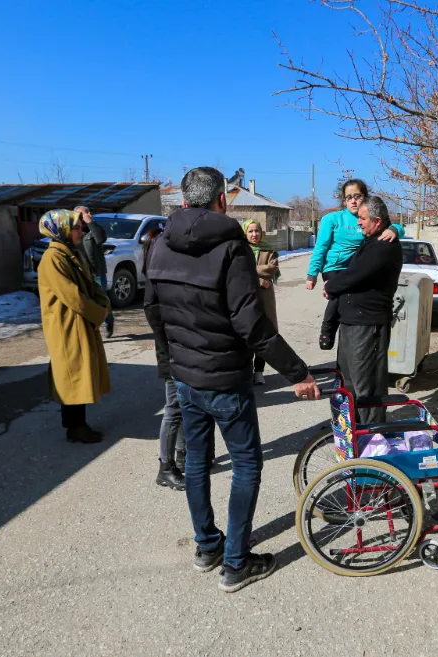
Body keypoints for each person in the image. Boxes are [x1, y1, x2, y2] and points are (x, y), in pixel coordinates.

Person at [146, 166, 321, 593]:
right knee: (246, 465)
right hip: (225, 380)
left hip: (186, 380)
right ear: (221, 200)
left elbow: (153, 310)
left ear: (183, 201)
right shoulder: (232, 247)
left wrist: (170, 366)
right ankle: (236, 562)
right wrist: (298, 373)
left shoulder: (159, 245)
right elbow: (252, 326)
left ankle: (208, 546)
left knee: (198, 463)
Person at [323, 195, 403, 426]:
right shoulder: (372, 239)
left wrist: (332, 286)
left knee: (366, 385)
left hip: (368, 325)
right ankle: (351, 431)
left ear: (378, 221)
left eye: (362, 218)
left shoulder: (384, 245)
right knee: (348, 381)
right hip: (352, 322)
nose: (358, 222)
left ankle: (370, 436)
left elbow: (357, 275)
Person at [36, 209, 111, 444]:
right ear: (63, 230)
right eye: (77, 228)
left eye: (80, 227)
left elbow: (91, 283)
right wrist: (99, 313)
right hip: (67, 326)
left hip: (80, 322)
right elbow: (73, 297)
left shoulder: (70, 253)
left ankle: (78, 424)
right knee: (72, 375)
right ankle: (75, 427)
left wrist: (103, 303)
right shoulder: (53, 259)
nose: (81, 231)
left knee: (79, 373)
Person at [305, 179, 406, 351]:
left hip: (355, 267)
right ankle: (327, 330)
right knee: (338, 294)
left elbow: (394, 225)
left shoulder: (370, 218)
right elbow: (320, 247)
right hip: (334, 267)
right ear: (344, 201)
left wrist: (394, 230)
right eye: (348, 197)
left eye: (357, 196)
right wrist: (312, 274)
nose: (353, 201)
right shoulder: (333, 219)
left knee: (351, 304)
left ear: (365, 198)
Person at [141, 226, 185, 490]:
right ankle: (165, 467)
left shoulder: (165, 274)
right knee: (173, 409)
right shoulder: (155, 281)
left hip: (178, 348)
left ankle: (182, 457)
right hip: (171, 352)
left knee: (180, 409)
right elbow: (157, 320)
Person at [242, 219, 281, 386]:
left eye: (257, 231)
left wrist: (249, 269)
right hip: (244, 297)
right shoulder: (240, 249)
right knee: (246, 334)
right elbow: (237, 270)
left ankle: (259, 371)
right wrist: (258, 278)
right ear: (245, 233)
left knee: (263, 334)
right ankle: (245, 371)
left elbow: (271, 269)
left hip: (265, 298)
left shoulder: (269, 250)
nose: (254, 234)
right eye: (250, 231)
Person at [76, 205, 114, 338]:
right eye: (79, 216)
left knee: (101, 299)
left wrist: (90, 222)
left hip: (97, 272)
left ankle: (108, 321)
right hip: (82, 272)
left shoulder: (94, 229)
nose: (80, 218)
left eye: (83, 215)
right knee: (86, 301)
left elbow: (101, 238)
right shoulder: (75, 231)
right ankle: (92, 328)